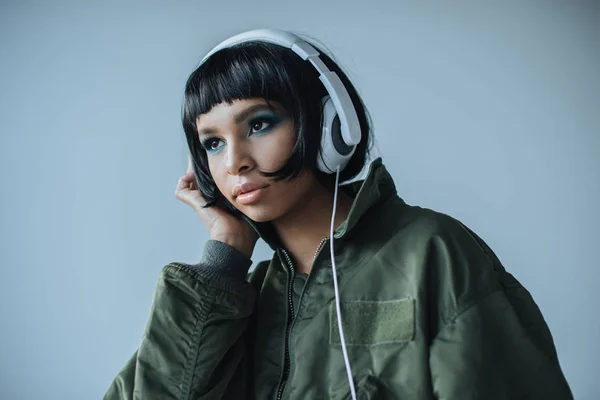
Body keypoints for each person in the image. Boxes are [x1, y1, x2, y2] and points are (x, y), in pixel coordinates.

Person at [104, 29, 573, 399]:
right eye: (213, 142)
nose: (234, 162)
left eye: (259, 123)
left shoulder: (432, 252)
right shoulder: (236, 299)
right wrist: (225, 253)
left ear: (332, 128)